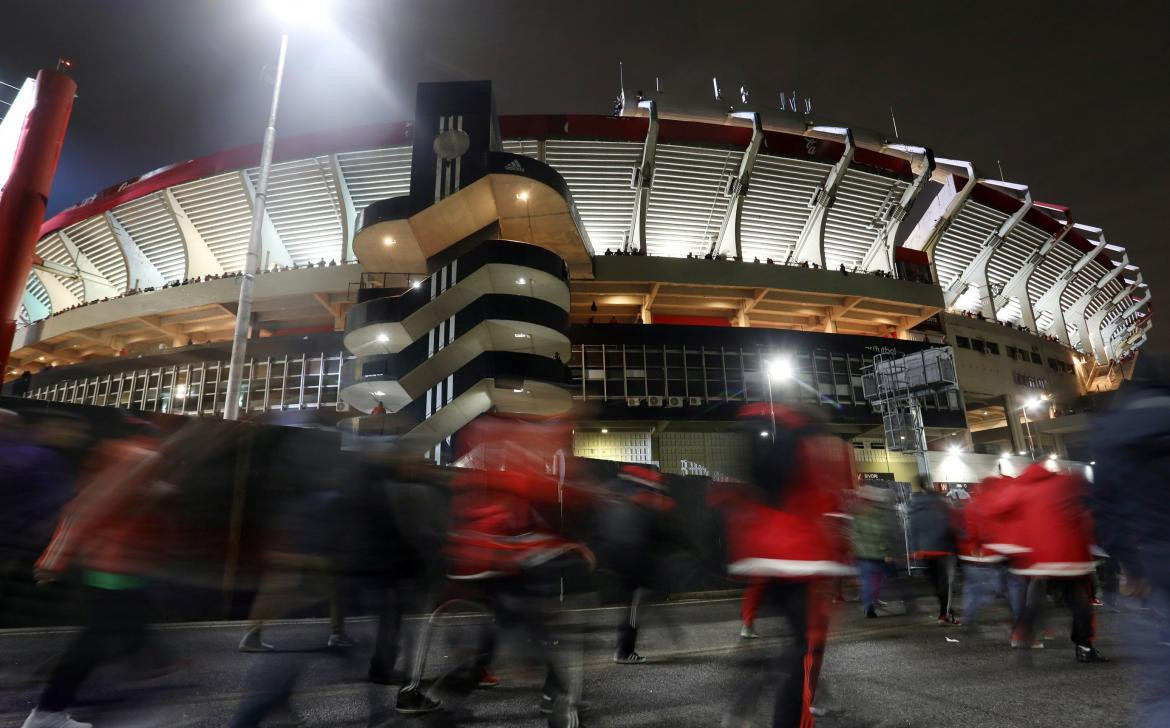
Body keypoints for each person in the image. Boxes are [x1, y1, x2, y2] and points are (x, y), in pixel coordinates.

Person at [709, 403, 854, 728]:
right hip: (800, 556)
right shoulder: (811, 443)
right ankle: (794, 719)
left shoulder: (768, 441)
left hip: (763, 552)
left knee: (790, 642)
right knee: (804, 645)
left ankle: (744, 704)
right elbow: (825, 505)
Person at [1091, 354, 1170, 720]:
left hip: (1153, 561)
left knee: (1162, 685)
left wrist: (1130, 566)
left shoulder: (1115, 431)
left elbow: (1106, 510)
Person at [991, 462, 1105, 663]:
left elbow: (997, 510)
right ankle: (1084, 647)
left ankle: (1023, 638)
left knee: (1034, 603)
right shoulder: (1066, 482)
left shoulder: (1020, 488)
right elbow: (1092, 501)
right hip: (1069, 556)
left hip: (1039, 559)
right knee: (1079, 604)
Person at [908, 480, 959, 624]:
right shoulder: (942, 505)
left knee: (936, 582)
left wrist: (916, 549)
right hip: (943, 550)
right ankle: (945, 613)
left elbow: (913, 530)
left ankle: (945, 609)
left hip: (926, 551)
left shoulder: (916, 507)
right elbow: (951, 526)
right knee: (946, 583)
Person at [850, 484, 900, 618]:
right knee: (877, 580)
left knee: (866, 581)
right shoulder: (879, 513)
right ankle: (873, 601)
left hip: (862, 554)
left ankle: (868, 606)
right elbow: (883, 534)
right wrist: (888, 552)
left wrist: (856, 550)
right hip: (878, 554)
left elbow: (853, 534)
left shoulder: (857, 513)